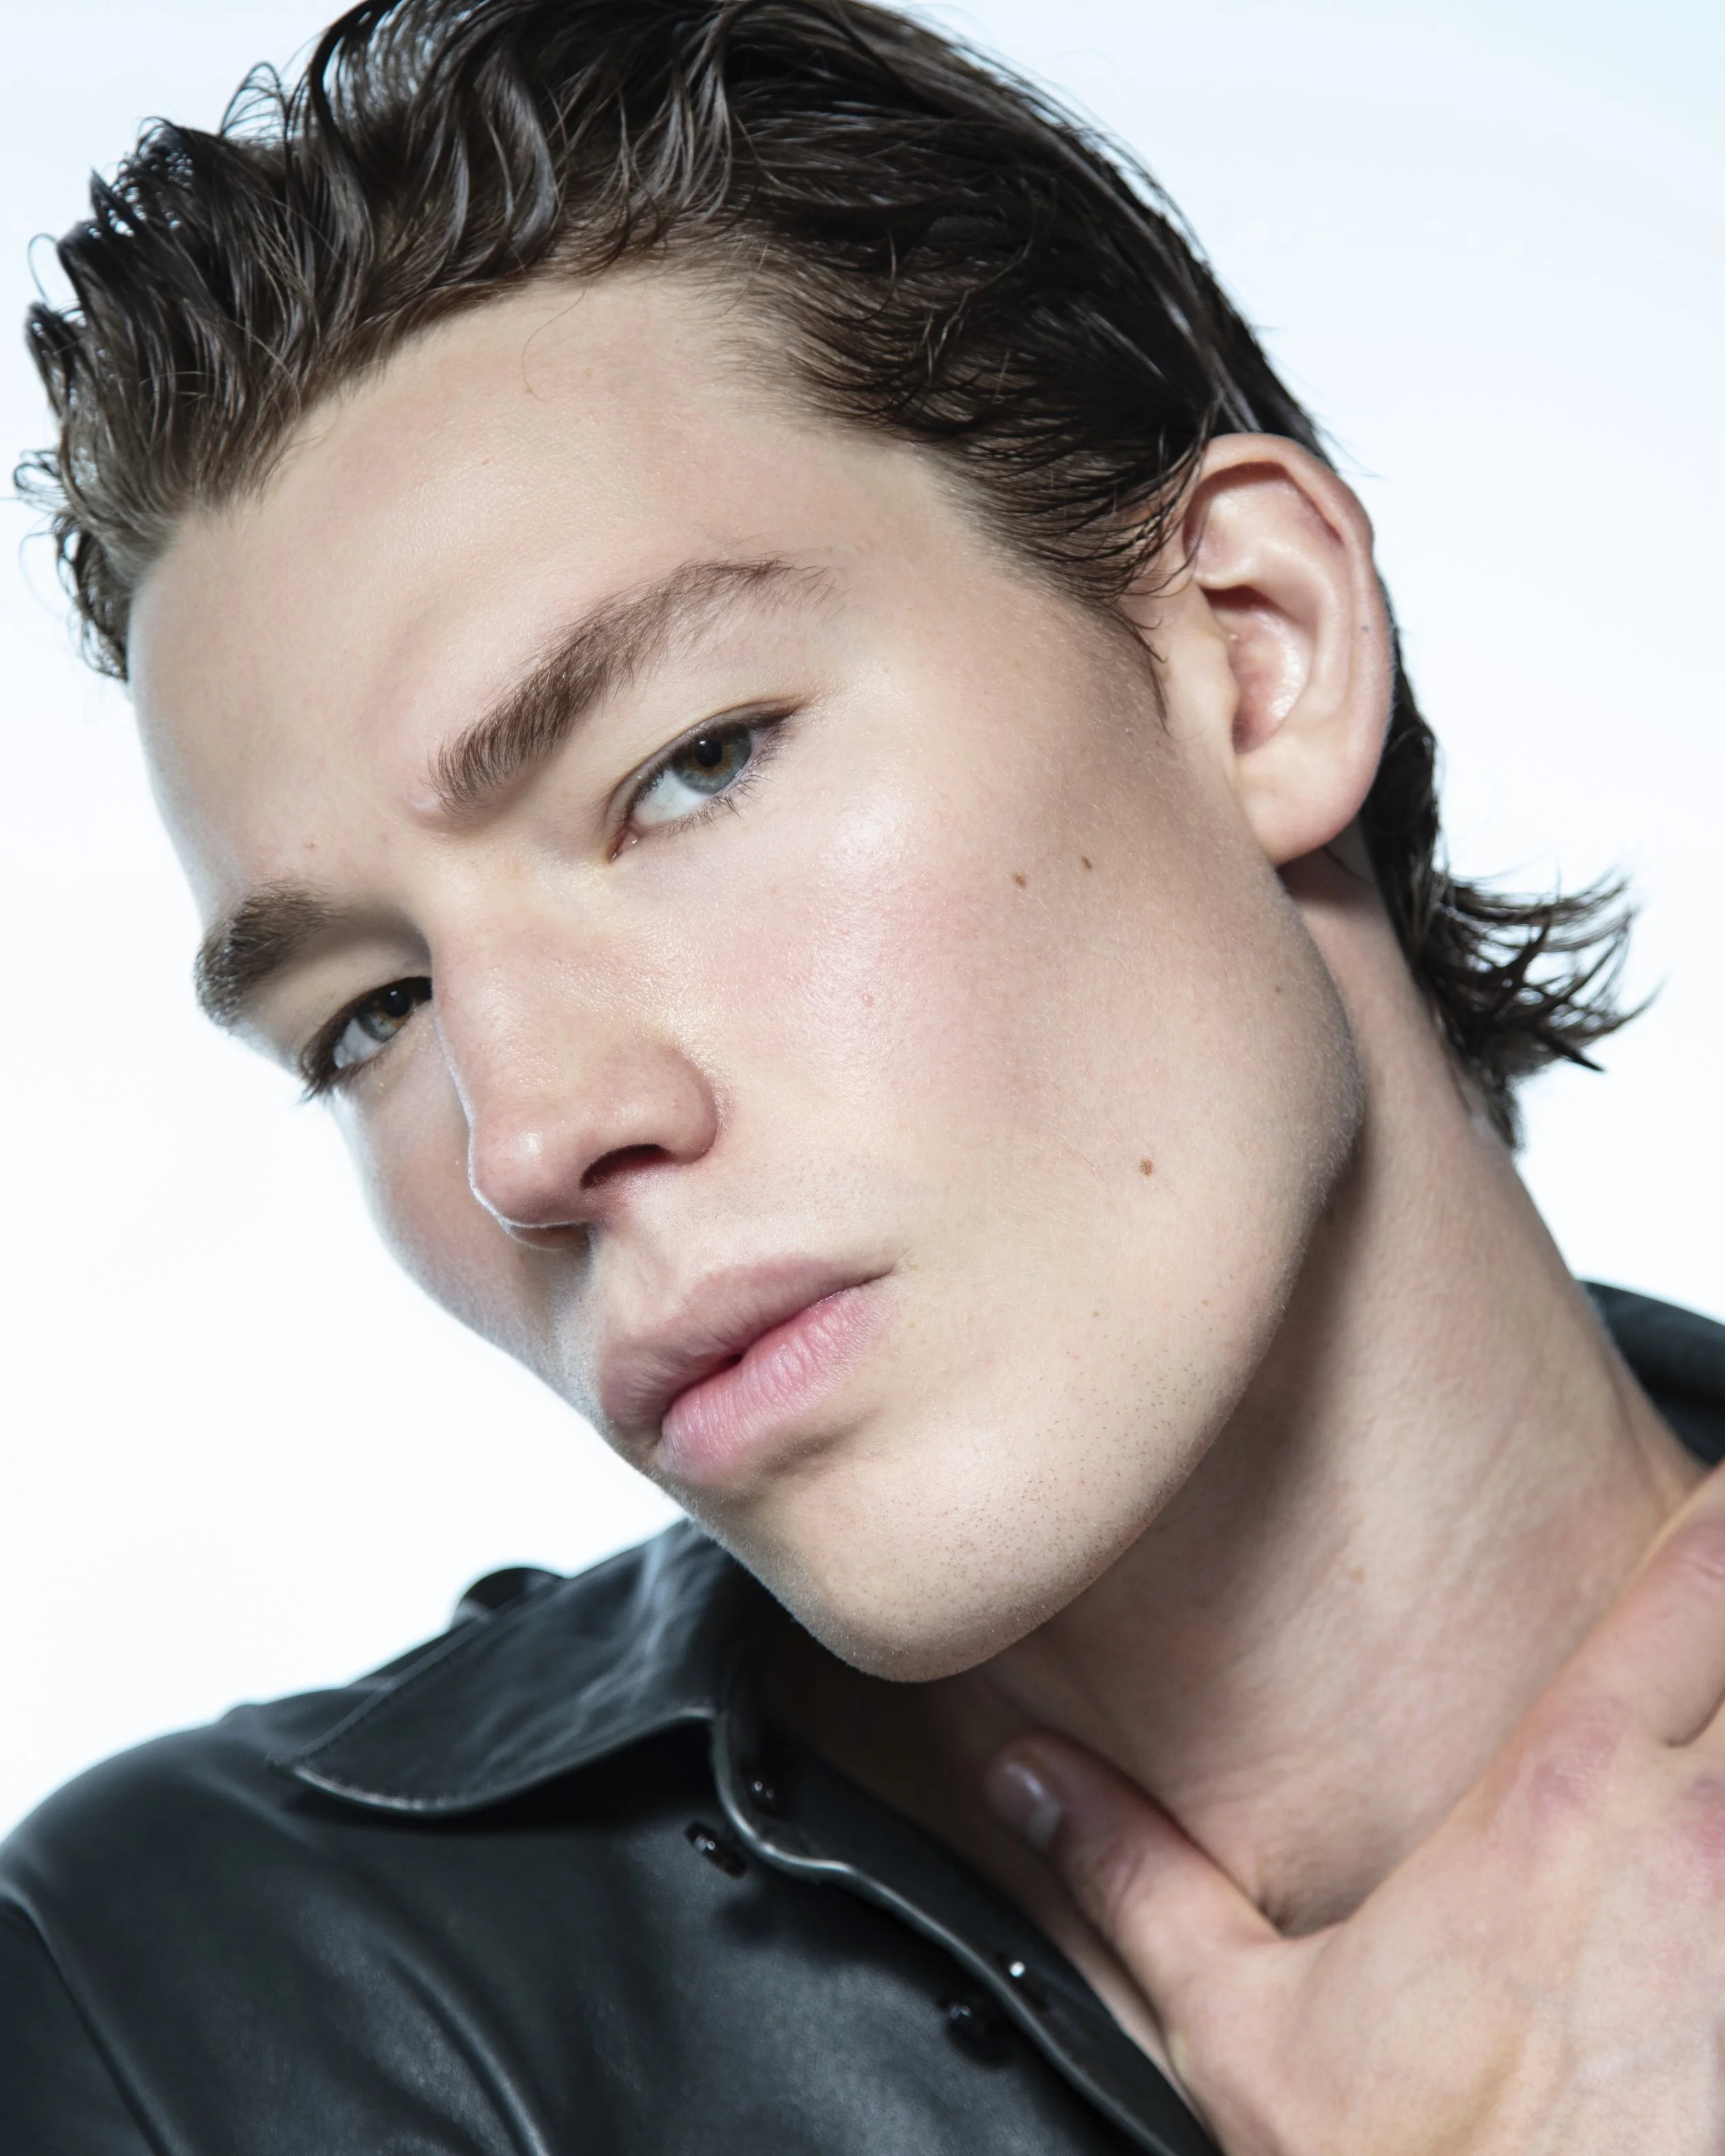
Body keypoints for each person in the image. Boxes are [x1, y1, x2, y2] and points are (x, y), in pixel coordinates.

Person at [7, 1, 1725, 2148]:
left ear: (1251, 650)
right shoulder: (201, 2012)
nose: (526, 1135)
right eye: (368, 1014)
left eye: (686, 770)